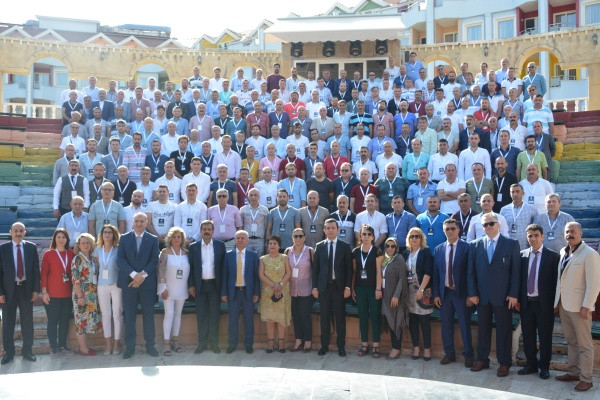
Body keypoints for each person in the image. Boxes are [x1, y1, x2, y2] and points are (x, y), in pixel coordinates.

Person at [467, 213, 520, 377]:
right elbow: (471, 272)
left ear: (498, 224)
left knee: (504, 330)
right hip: (482, 297)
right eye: (485, 225)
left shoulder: (511, 244)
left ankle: (504, 362)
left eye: (491, 223)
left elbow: (516, 272)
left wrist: (513, 294)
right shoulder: (475, 245)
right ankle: (482, 359)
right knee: (483, 329)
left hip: (503, 297)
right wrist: (472, 293)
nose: (488, 227)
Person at [554, 222, 600, 391]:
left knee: (585, 345)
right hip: (564, 305)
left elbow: (594, 284)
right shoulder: (563, 251)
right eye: (567, 231)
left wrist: (587, 306)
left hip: (580, 307)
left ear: (581, 233)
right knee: (571, 341)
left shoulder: (590, 254)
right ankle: (573, 372)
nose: (570, 234)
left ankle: (587, 379)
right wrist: (556, 302)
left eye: (573, 231)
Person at [517, 224, 560, 380]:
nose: (533, 238)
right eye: (530, 236)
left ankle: (544, 367)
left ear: (542, 236)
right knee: (528, 336)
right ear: (526, 237)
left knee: (545, 336)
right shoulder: (522, 255)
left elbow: (556, 282)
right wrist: (518, 299)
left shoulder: (553, 256)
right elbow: (518, 280)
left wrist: (556, 303)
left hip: (544, 304)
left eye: (536, 235)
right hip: (526, 303)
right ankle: (531, 364)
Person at [117, 212, 159, 359]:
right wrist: (134, 275)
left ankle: (150, 345)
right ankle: (130, 347)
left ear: (146, 223)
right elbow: (120, 260)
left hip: (147, 284)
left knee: (149, 315)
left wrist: (142, 276)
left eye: (142, 221)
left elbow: (154, 260)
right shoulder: (124, 238)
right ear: (132, 222)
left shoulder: (153, 239)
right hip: (129, 283)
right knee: (129, 316)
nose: (139, 224)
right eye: (136, 221)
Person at [432, 219, 474, 367]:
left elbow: (471, 273)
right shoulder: (439, 249)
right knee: (446, 325)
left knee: (464, 325)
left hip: (461, 293)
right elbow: (436, 274)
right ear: (443, 231)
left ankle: (468, 355)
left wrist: (470, 294)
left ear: (458, 230)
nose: (449, 231)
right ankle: (449, 353)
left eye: (452, 228)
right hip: (445, 294)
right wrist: (436, 294)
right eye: (447, 229)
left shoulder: (467, 247)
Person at [0, 223, 40, 365]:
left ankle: (27, 351)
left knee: (27, 322)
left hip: (26, 289)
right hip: (8, 291)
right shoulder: (2, 249)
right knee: (7, 323)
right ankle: (8, 352)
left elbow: (36, 271)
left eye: (21, 231)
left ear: (25, 232)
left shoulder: (31, 247)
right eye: (15, 231)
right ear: (10, 232)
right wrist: (0, 292)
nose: (18, 233)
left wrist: (35, 290)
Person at [312, 219, 353, 357]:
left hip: (339, 287)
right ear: (324, 230)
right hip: (323, 288)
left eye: (333, 228)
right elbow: (315, 269)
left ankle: (341, 346)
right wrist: (314, 287)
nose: (330, 230)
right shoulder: (319, 246)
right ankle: (324, 346)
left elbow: (349, 269)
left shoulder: (345, 246)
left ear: (337, 230)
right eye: (328, 228)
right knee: (324, 318)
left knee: (340, 318)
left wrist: (348, 287)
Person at [188, 220, 227, 354]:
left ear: (213, 231)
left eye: (209, 229)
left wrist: (223, 289)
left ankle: (214, 343)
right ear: (200, 231)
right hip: (199, 286)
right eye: (204, 229)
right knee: (201, 315)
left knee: (214, 315)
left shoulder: (220, 245)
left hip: (214, 286)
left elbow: (224, 268)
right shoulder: (193, 247)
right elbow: (191, 267)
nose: (206, 231)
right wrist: (191, 285)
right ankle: (202, 344)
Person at [222, 230, 260, 354]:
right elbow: (224, 275)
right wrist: (224, 293)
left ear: (247, 240)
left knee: (249, 320)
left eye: (243, 238)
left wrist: (256, 293)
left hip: (248, 292)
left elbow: (256, 276)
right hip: (233, 293)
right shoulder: (228, 255)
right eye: (238, 238)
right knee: (233, 320)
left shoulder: (253, 255)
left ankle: (248, 344)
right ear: (234, 240)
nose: (240, 240)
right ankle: (232, 344)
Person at [41, 229, 75, 358]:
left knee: (64, 321)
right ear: (54, 239)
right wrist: (44, 292)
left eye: (63, 237)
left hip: (68, 294)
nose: (61, 239)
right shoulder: (48, 254)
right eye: (58, 237)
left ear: (67, 239)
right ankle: (53, 348)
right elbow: (43, 274)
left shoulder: (71, 253)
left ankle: (62, 346)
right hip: (52, 294)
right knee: (53, 321)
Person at [352, 224, 384, 358]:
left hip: (373, 289)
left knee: (375, 316)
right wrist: (352, 288)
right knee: (363, 316)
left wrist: (378, 289)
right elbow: (354, 271)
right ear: (360, 236)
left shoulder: (377, 251)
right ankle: (364, 344)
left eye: (369, 234)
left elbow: (379, 272)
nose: (366, 237)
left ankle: (376, 345)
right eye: (364, 234)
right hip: (360, 289)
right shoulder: (355, 251)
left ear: (373, 237)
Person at [403, 227, 434, 361]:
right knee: (413, 321)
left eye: (417, 236)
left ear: (421, 238)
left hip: (423, 290)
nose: (414, 239)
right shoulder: (405, 253)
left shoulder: (426, 252)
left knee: (424, 321)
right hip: (409, 290)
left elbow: (428, 272)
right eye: (412, 236)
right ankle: (416, 347)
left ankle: (427, 349)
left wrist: (421, 289)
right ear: (408, 239)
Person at [157, 227, 190, 356]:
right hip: (168, 289)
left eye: (179, 237)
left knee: (178, 314)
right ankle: (166, 343)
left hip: (182, 288)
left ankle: (175, 341)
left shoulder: (186, 253)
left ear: (182, 239)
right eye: (174, 237)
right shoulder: (165, 252)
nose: (176, 239)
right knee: (169, 314)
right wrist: (162, 288)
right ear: (170, 239)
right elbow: (160, 271)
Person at [259, 235, 292, 353]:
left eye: (275, 243)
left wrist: (280, 285)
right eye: (270, 243)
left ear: (279, 246)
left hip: (283, 291)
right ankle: (271, 342)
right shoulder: (263, 259)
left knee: (281, 317)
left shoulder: (284, 258)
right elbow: (261, 275)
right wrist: (274, 286)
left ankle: (281, 342)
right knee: (270, 318)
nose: (272, 245)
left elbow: (288, 272)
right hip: (268, 292)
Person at [71, 232, 102, 356]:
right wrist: (80, 296)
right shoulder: (77, 259)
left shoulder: (93, 259)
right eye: (83, 243)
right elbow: (75, 279)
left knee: (87, 321)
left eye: (88, 242)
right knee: (81, 321)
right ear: (78, 245)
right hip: (82, 294)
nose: (85, 245)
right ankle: (83, 349)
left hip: (92, 294)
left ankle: (86, 346)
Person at [94, 224, 122, 356]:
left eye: (110, 232)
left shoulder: (118, 249)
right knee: (105, 315)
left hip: (116, 284)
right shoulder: (97, 250)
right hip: (101, 285)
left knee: (117, 314)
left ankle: (116, 343)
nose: (107, 234)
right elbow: (96, 267)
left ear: (114, 235)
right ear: (101, 235)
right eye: (105, 232)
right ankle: (108, 343)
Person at [380, 237, 409, 359]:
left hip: (394, 297)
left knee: (396, 321)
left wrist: (396, 296)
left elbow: (402, 279)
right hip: (385, 295)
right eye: (388, 246)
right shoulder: (384, 259)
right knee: (389, 320)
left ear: (396, 248)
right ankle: (393, 347)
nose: (390, 248)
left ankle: (396, 348)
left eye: (393, 246)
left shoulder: (399, 259)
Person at [285, 228, 314, 352]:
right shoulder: (287, 251)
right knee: (296, 316)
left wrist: (315, 288)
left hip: (306, 289)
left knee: (305, 315)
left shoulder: (310, 251)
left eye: (300, 236)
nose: (298, 238)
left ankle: (308, 341)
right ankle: (298, 340)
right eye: (295, 236)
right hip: (291, 289)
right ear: (292, 237)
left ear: (304, 237)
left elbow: (315, 270)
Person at [500, 184, 538, 249]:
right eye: (513, 192)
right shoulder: (504, 210)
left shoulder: (531, 209)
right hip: (508, 246)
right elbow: (501, 229)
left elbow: (536, 228)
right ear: (510, 194)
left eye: (517, 191)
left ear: (523, 193)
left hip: (526, 246)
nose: (515, 194)